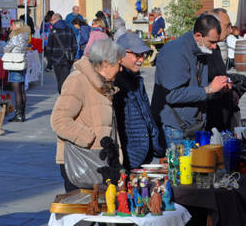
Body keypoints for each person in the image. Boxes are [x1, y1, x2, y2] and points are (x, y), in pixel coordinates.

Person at [50, 39, 126, 192]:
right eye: (119, 64)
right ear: (106, 64)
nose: (121, 69)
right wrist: (89, 138)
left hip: (100, 161)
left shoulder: (104, 84)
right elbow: (59, 120)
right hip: (81, 160)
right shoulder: (77, 80)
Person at [150, 15, 231, 148]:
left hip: (194, 125)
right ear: (198, 36)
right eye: (212, 42)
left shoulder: (201, 49)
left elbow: (199, 86)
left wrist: (219, 89)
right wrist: (209, 89)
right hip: (174, 128)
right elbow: (173, 95)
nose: (215, 46)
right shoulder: (175, 52)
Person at [113, 33, 164, 170]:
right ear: (122, 54)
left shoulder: (136, 79)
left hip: (143, 153)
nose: (141, 60)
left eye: (144, 55)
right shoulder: (114, 82)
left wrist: (155, 142)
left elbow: (146, 114)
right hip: (128, 154)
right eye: (137, 55)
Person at [205, 9, 246, 132]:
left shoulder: (216, 48)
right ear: (215, 26)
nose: (230, 30)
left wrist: (231, 87)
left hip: (221, 116)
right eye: (227, 26)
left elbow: (220, 75)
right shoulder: (201, 50)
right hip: (209, 119)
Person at [3, 19, 30, 122]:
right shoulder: (25, 35)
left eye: (13, 25)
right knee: (22, 90)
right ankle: (22, 114)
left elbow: (6, 48)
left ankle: (18, 115)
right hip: (22, 62)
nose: (12, 27)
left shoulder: (15, 36)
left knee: (17, 91)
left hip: (15, 63)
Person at [46, 13, 77, 93]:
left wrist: (49, 63)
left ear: (56, 19)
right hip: (67, 59)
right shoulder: (70, 29)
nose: (51, 22)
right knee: (66, 80)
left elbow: (49, 48)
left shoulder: (53, 30)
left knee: (59, 80)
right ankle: (65, 98)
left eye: (52, 20)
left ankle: (62, 98)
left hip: (56, 59)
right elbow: (75, 45)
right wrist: (72, 57)